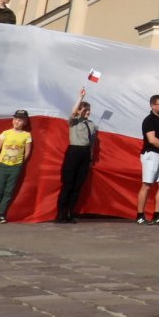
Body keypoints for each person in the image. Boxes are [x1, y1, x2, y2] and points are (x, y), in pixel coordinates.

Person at [56, 89, 96, 223]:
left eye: (89, 110)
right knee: (68, 183)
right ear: (79, 110)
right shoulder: (74, 121)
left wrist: (90, 157)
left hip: (85, 153)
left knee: (78, 184)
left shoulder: (91, 125)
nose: (87, 112)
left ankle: (70, 212)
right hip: (74, 151)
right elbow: (73, 112)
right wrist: (81, 97)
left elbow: (92, 143)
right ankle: (60, 213)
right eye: (85, 110)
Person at [0, 110, 32, 223]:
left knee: (8, 191)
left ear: (25, 122)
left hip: (15, 166)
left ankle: (1, 214)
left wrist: (20, 162)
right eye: (16, 119)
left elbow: (27, 151)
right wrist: (0, 161)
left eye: (20, 120)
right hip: (3, 165)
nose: (17, 122)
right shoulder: (5, 133)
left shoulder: (27, 135)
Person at [137, 95, 159, 225]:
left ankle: (157, 215)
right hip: (151, 154)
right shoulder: (149, 120)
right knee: (147, 185)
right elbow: (152, 139)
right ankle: (140, 216)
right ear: (153, 105)